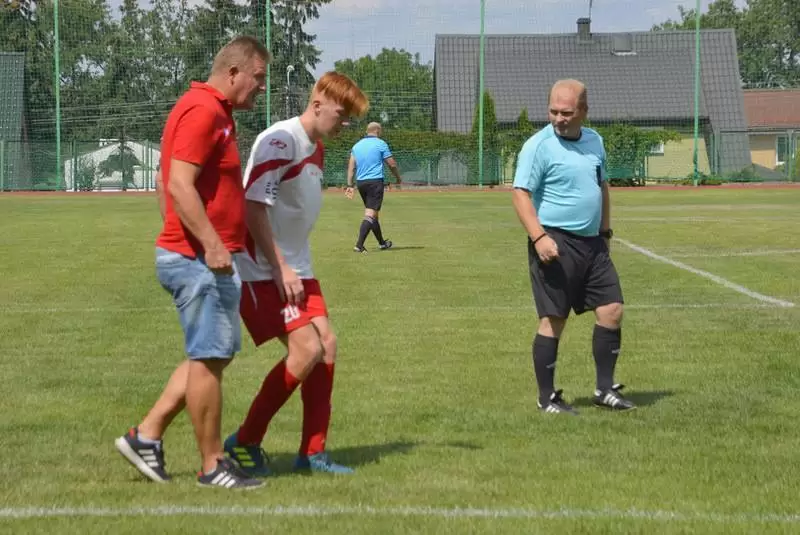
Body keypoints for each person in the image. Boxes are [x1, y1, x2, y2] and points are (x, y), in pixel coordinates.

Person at [114, 36, 270, 489]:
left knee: (212, 356)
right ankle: (212, 465)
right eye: (258, 77)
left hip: (201, 256)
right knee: (208, 357)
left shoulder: (214, 111)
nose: (261, 87)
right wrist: (208, 244)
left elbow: (166, 180)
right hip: (201, 259)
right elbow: (179, 184)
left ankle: (146, 436)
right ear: (234, 72)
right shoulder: (203, 110)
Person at [222, 72, 369, 476]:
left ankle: (313, 453)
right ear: (317, 104)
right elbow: (253, 206)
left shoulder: (315, 148)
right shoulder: (281, 140)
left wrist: (293, 266)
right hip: (262, 270)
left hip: (297, 267)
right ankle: (244, 441)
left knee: (327, 346)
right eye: (340, 115)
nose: (344, 125)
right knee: (306, 351)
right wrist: (281, 267)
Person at [511, 79, 635, 415]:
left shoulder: (595, 141)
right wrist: (539, 237)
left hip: (593, 243)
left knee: (612, 310)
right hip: (554, 241)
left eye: (566, 112)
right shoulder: (538, 146)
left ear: (584, 111)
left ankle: (604, 389)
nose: (558, 119)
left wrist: (605, 232)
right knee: (554, 319)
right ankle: (547, 398)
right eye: (553, 111)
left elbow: (601, 185)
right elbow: (520, 194)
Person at [345, 121, 402, 253]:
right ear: (377, 131)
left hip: (361, 183)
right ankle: (359, 245)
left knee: (373, 214)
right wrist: (398, 178)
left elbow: (351, 167)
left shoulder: (357, 146)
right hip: (375, 182)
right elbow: (392, 164)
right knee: (370, 214)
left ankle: (382, 243)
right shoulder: (381, 143)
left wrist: (350, 185)